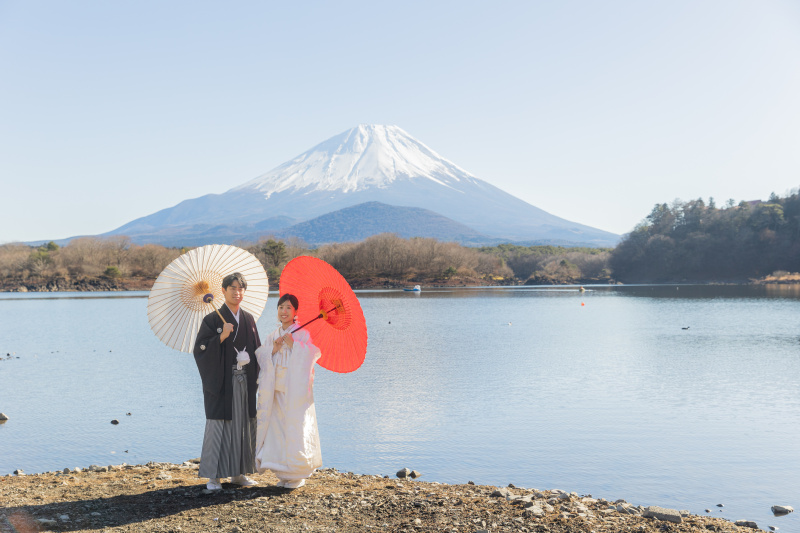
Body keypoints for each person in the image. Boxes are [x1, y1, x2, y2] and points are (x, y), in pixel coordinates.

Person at [193, 272, 261, 490]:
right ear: (222, 291)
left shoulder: (248, 319)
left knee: (242, 424)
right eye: (232, 288)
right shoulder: (212, 319)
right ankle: (213, 477)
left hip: (245, 379)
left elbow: (257, 349)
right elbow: (200, 350)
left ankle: (238, 474)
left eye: (241, 288)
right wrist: (221, 337)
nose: (237, 292)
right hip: (222, 382)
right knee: (219, 425)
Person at [254, 293, 322, 489]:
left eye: (289, 308)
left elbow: (313, 355)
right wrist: (273, 350)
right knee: (276, 429)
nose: (284, 312)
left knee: (294, 427)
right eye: (281, 307)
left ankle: (296, 472)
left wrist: (296, 346)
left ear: (295, 312)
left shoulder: (302, 334)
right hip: (275, 388)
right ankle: (282, 472)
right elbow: (261, 354)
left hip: (293, 390)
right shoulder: (272, 335)